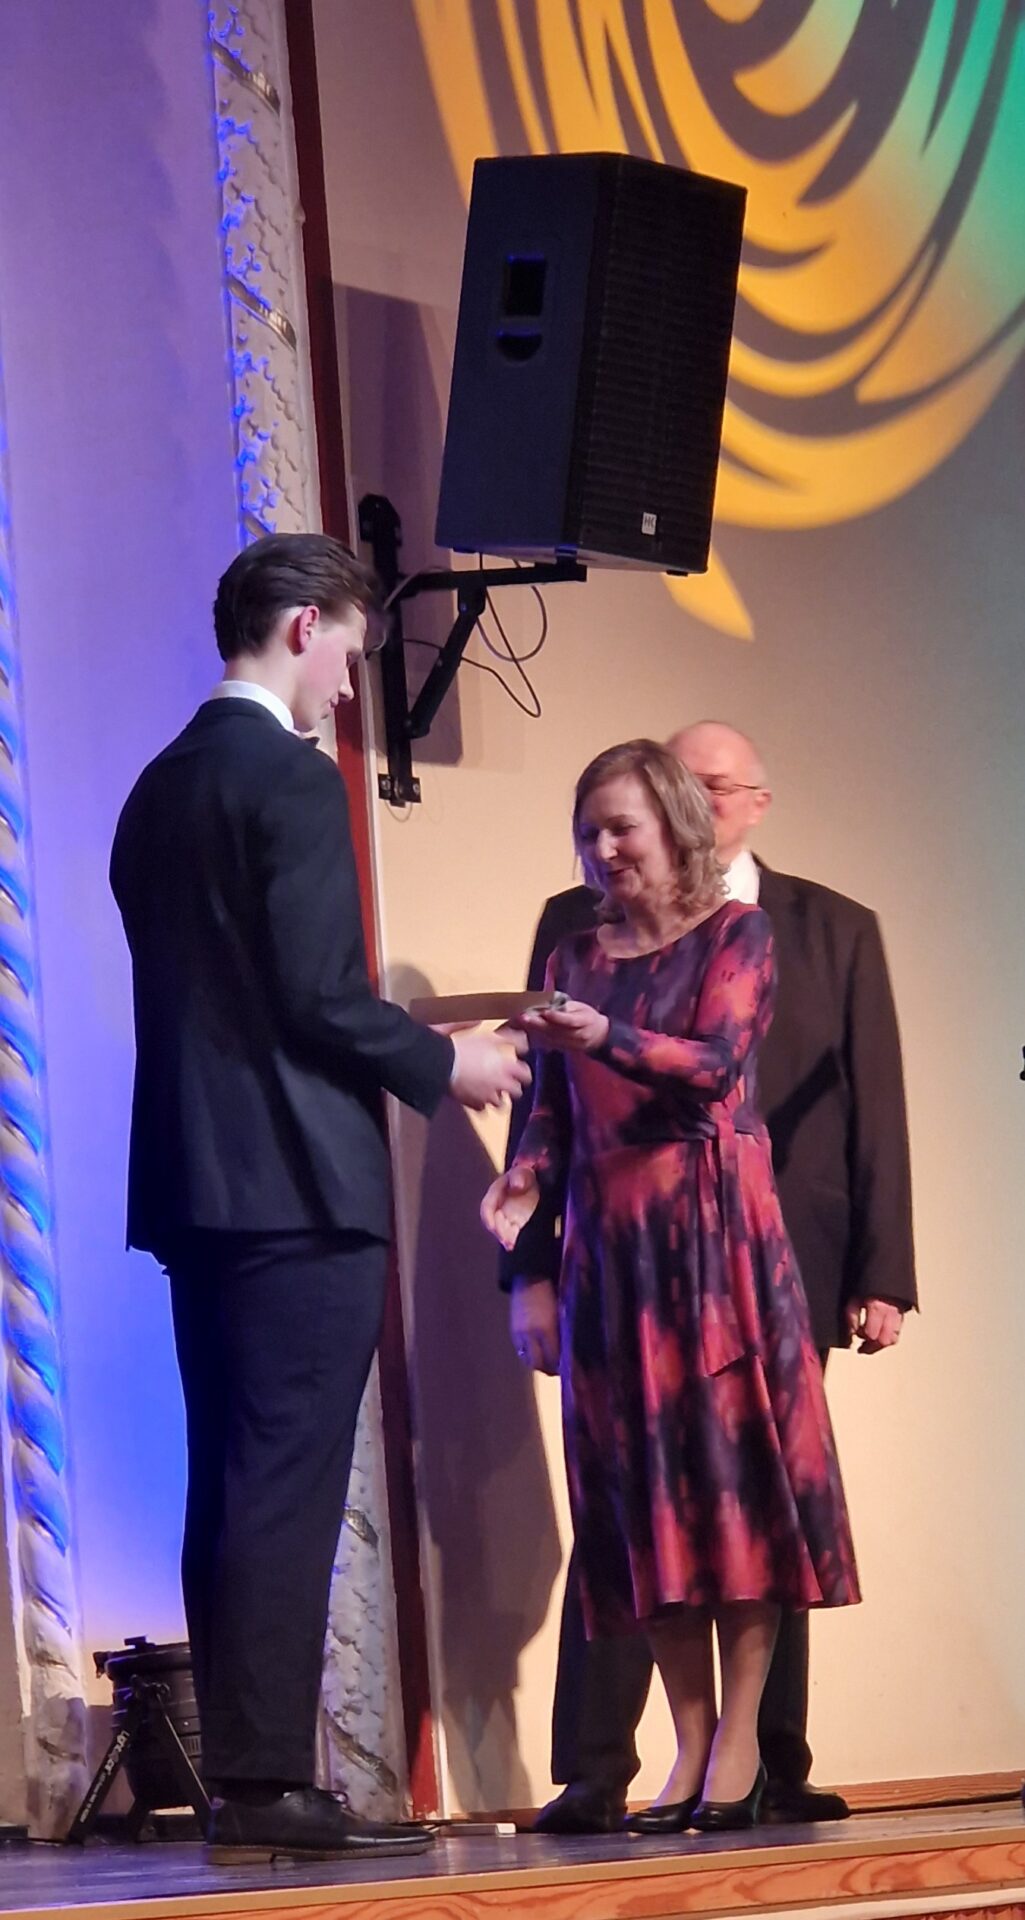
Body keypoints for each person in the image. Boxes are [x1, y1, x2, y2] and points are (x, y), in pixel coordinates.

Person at [110, 533, 529, 1863]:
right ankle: (266, 1786)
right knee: (283, 1484)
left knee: (232, 1482)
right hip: (297, 1187)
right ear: (303, 626)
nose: (351, 683)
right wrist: (448, 1062)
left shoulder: (158, 786)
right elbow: (314, 996)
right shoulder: (286, 779)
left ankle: (249, 1783)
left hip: (198, 1189)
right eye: (349, 650)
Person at [505, 721, 915, 1833]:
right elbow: (547, 1105)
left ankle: (744, 1749)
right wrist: (523, 1190)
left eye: (620, 827)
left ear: (678, 822)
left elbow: (721, 1065)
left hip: (716, 1245)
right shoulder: (570, 952)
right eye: (587, 831)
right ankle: (681, 1748)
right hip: (611, 1252)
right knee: (638, 1504)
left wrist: (600, 1034)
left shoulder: (746, 932)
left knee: (736, 1501)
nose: (602, 849)